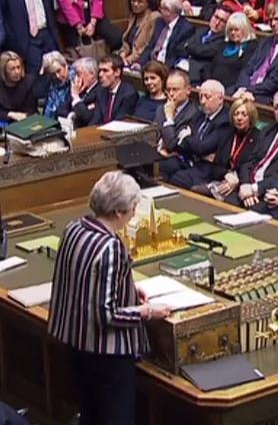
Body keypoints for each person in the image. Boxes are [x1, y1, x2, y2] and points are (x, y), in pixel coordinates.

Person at [48, 171, 170, 425]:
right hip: (106, 355)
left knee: (90, 415)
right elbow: (107, 315)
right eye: (133, 207)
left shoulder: (74, 228)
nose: (135, 212)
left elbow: (81, 278)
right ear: (118, 212)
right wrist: (148, 312)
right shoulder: (110, 247)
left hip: (74, 343)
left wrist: (128, 289)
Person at [235, 89, 278, 208]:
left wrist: (254, 189)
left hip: (270, 193)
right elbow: (248, 162)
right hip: (248, 187)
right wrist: (245, 185)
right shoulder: (267, 130)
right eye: (276, 107)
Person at [231, 0, 278, 103]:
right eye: (270, 20)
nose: (273, 23)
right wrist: (242, 88)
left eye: (277, 19)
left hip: (269, 96)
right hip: (248, 90)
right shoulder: (265, 42)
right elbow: (248, 68)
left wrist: (250, 90)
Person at [184, 97, 259, 195]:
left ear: (251, 117)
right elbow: (215, 165)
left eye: (244, 114)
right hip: (222, 178)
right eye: (236, 114)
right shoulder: (226, 132)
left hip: (243, 182)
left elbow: (251, 167)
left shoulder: (258, 137)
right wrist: (226, 174)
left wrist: (236, 180)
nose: (239, 118)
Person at [164, 79, 233, 183]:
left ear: (220, 99)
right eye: (201, 97)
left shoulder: (225, 121)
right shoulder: (200, 114)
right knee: (161, 166)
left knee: (177, 179)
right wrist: (190, 143)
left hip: (208, 169)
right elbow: (180, 142)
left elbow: (202, 148)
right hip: (189, 159)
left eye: (207, 97)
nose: (203, 101)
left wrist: (186, 137)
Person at [155, 69, 199, 176]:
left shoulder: (194, 114)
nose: (171, 94)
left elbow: (172, 145)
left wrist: (169, 117)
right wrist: (159, 149)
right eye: (168, 90)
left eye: (175, 90)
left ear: (188, 90)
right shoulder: (161, 109)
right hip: (160, 153)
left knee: (158, 167)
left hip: (181, 161)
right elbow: (155, 134)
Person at [138, 0, 195, 67]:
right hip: (151, 65)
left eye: (161, 8)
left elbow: (177, 55)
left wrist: (161, 69)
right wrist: (139, 63)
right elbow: (150, 46)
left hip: (166, 67)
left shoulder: (186, 29)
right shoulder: (159, 22)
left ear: (168, 11)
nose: (159, 10)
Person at [207, 11, 257, 89]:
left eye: (236, 30)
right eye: (231, 30)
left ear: (244, 29)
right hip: (214, 86)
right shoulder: (225, 44)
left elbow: (245, 72)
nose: (233, 33)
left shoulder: (251, 47)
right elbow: (212, 65)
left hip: (231, 89)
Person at [182, 6, 231, 83]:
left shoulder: (223, 41)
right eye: (216, 17)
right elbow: (183, 47)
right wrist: (189, 47)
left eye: (222, 21)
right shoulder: (200, 31)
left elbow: (201, 52)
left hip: (197, 75)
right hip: (182, 65)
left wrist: (188, 47)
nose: (217, 23)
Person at [89, 54, 139, 125]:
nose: (100, 75)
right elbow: (96, 119)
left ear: (117, 72)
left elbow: (119, 123)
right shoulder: (100, 91)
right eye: (100, 70)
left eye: (105, 71)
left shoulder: (129, 94)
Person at [0, 51, 37, 123]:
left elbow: (31, 110)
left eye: (18, 67)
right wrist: (9, 114)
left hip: (26, 121)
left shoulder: (29, 82)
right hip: (3, 123)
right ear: (4, 70)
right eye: (12, 69)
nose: (17, 72)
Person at [119, 0, 161, 67]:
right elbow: (126, 42)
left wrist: (128, 60)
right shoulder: (133, 17)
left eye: (140, 1)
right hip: (128, 58)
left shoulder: (154, 17)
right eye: (133, 0)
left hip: (142, 60)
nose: (135, 4)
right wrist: (122, 55)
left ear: (148, 2)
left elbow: (147, 46)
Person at [65, 56, 100, 125]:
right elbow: (60, 110)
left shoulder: (100, 92)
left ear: (92, 74)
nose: (76, 78)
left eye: (79, 74)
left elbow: (87, 117)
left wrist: (76, 97)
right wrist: (72, 115)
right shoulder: (80, 90)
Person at [40, 51, 74, 119]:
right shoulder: (50, 81)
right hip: (46, 122)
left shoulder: (75, 81)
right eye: (53, 73)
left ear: (65, 66)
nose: (57, 76)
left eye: (59, 71)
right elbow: (37, 92)